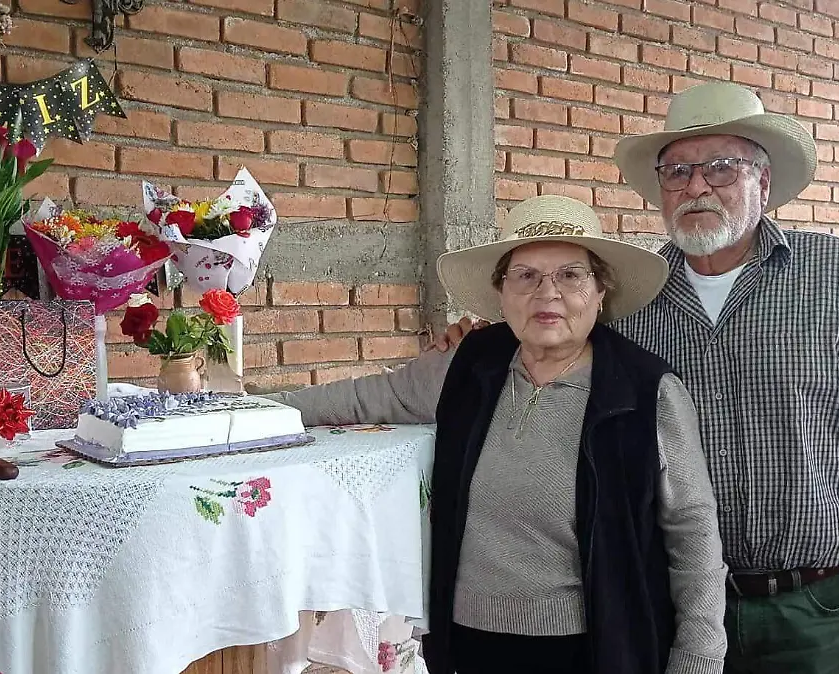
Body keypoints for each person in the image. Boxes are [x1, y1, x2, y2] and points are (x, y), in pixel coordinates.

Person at [431, 82, 839, 674]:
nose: (697, 186)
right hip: (673, 607)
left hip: (820, 605)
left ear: (763, 181)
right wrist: (479, 341)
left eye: (721, 167)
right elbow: (547, 329)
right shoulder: (630, 303)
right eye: (677, 171)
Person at [268, 194, 729, 674]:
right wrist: (248, 410)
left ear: (600, 291)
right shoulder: (470, 364)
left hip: (596, 648)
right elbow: (366, 399)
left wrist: (698, 657)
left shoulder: (644, 391)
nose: (547, 293)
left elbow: (692, 532)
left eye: (570, 275)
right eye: (525, 276)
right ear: (501, 293)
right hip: (468, 642)